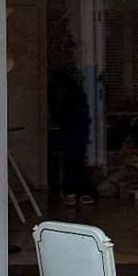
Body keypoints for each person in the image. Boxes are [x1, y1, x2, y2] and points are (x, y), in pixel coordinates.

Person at [48, 41, 94, 206]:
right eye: (77, 52)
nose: (80, 55)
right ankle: (71, 190)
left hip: (88, 120)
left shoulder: (90, 72)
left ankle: (84, 190)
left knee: (85, 155)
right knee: (72, 154)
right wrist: (58, 116)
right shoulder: (63, 74)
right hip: (70, 121)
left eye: (82, 52)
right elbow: (53, 97)